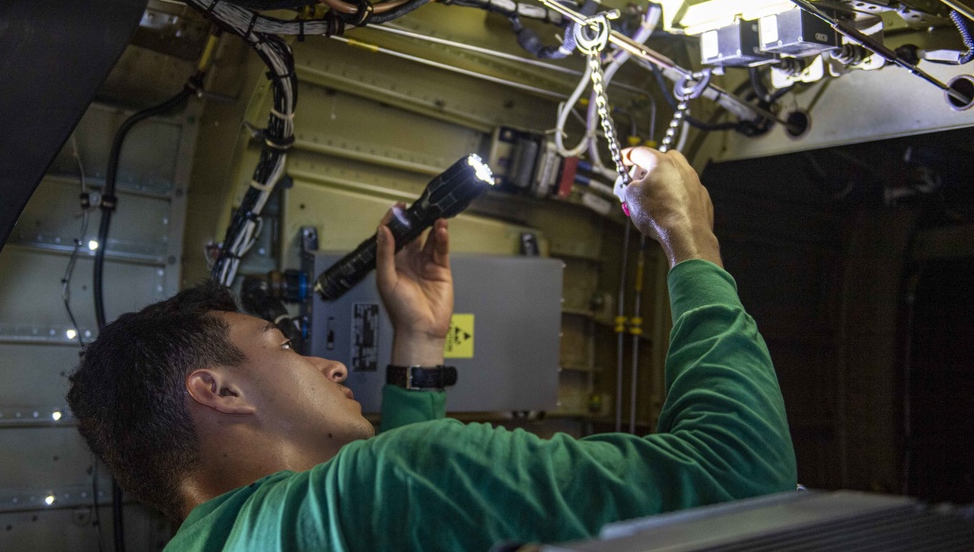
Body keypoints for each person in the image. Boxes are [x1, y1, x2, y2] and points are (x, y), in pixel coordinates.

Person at [67, 147, 796, 551]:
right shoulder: (377, 488)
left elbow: (385, 513)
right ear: (218, 391)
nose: (329, 363)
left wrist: (419, 340)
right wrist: (690, 240)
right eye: (282, 346)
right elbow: (744, 479)